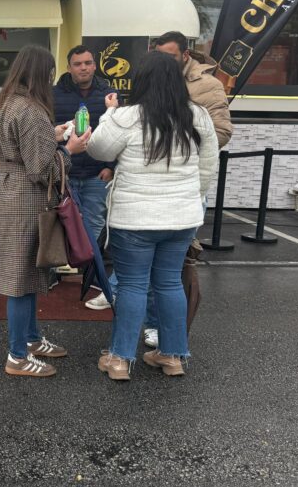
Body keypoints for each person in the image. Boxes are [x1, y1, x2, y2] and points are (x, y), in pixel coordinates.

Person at [86, 51, 218, 381]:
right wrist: (191, 197)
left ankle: (119, 360)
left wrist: (109, 113)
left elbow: (98, 149)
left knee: (132, 285)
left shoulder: (127, 116)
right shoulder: (197, 115)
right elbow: (207, 165)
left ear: (140, 81)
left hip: (134, 219)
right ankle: (172, 356)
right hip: (181, 218)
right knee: (170, 283)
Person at [0, 45, 90, 377]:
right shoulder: (31, 109)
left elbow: (20, 148)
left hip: (7, 191)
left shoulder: (3, 103)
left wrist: (52, 134)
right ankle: (17, 356)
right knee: (21, 279)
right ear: (42, 73)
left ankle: (31, 339)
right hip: (27, 199)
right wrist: (69, 150)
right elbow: (41, 169)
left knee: (28, 275)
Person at [139, 30, 234, 347]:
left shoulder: (208, 85)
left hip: (188, 187)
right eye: (159, 55)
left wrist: (177, 137)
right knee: (151, 266)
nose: (164, 61)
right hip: (152, 185)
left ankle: (168, 332)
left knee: (174, 267)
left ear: (185, 55)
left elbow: (221, 132)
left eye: (169, 56)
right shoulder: (151, 80)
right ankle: (156, 328)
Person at [52, 46, 117, 309]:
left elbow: (118, 132)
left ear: (94, 65)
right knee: (58, 225)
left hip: (95, 174)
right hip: (64, 171)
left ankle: (90, 275)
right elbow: (47, 132)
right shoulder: (55, 94)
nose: (83, 68)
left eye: (88, 63)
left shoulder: (109, 95)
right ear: (69, 67)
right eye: (78, 64)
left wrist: (110, 166)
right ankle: (56, 270)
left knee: (93, 226)